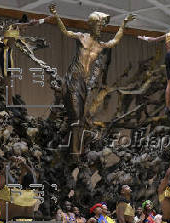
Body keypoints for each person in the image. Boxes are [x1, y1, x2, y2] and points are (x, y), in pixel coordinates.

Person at [49, 3, 135, 153]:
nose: (100, 28)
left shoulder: (100, 45)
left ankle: (75, 149)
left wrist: (123, 25)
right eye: (98, 25)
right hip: (73, 80)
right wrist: (55, 15)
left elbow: (115, 41)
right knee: (76, 117)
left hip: (85, 83)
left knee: (81, 118)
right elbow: (65, 32)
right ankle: (75, 151)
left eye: (102, 26)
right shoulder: (82, 37)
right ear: (92, 25)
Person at [137, 12, 170, 119]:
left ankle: (167, 107)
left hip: (167, 57)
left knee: (169, 82)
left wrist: (144, 38)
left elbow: (154, 40)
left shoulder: (167, 35)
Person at [0, 14, 52, 105]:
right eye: (24, 28)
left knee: (6, 79)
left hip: (4, 53)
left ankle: (6, 99)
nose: (24, 30)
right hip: (5, 54)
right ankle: (9, 103)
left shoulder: (17, 35)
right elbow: (23, 25)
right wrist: (42, 20)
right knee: (8, 80)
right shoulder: (13, 27)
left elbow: (25, 46)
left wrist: (39, 46)